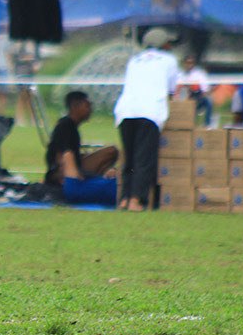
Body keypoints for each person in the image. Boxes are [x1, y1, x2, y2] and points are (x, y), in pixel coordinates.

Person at [114, 27, 180, 211]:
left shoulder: (134, 60)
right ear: (164, 44)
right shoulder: (169, 60)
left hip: (125, 111)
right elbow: (171, 90)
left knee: (130, 158)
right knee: (144, 158)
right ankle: (137, 200)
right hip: (149, 111)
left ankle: (125, 198)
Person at [45, 91, 119, 205]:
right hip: (63, 172)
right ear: (75, 106)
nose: (90, 110)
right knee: (111, 151)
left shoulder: (72, 126)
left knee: (110, 151)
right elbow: (61, 155)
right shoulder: (66, 125)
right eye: (87, 106)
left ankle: (98, 178)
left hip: (74, 167)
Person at [179, 54, 212, 126]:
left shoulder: (199, 74)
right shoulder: (179, 74)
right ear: (184, 63)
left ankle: (207, 125)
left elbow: (206, 89)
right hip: (181, 98)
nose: (189, 65)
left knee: (208, 101)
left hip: (196, 98)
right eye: (188, 63)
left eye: (191, 63)